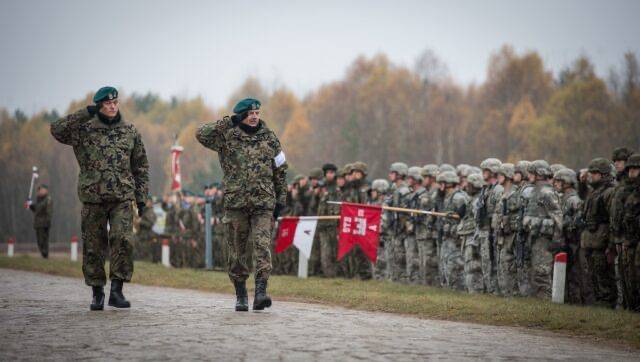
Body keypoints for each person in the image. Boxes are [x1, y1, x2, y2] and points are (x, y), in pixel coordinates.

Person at [50, 86, 149, 310]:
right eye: (107, 103)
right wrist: (87, 112)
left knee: (123, 240)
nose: (113, 106)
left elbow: (141, 166)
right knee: (94, 246)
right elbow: (56, 129)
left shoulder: (129, 131)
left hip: (122, 197)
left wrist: (141, 198)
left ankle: (117, 291)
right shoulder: (83, 130)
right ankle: (97, 293)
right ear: (99, 105)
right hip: (93, 198)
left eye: (115, 102)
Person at [196, 97, 287, 311]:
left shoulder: (270, 138)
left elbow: (280, 170)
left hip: (263, 203)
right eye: (250, 113)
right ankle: (240, 294)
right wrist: (230, 122)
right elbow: (201, 133)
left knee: (262, 246)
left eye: (257, 112)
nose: (255, 116)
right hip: (236, 203)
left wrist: (281, 200)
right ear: (242, 115)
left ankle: (261, 293)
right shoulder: (227, 137)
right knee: (237, 251)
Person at [27, 185, 53, 258]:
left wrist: (32, 204)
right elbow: (36, 209)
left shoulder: (47, 199)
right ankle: (44, 255)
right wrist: (30, 205)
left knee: (43, 240)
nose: (39, 192)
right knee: (39, 241)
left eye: (41, 190)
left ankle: (45, 255)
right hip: (38, 223)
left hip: (44, 223)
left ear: (46, 190)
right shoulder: (39, 199)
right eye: (39, 191)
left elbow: (41, 208)